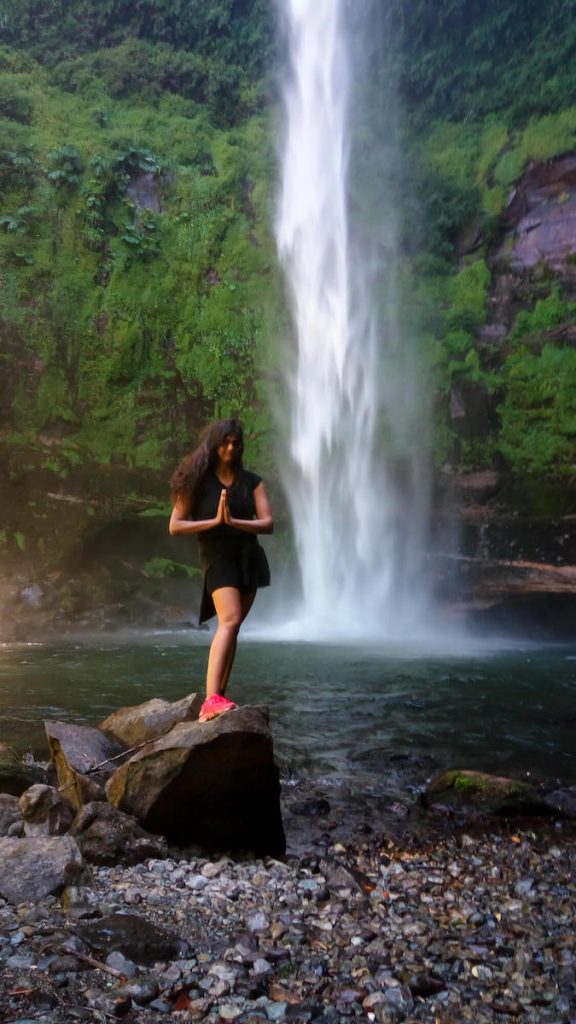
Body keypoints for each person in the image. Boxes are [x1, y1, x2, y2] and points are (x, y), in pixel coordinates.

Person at [169, 419, 273, 723]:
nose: (230, 447)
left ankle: (220, 694)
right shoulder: (196, 481)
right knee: (230, 619)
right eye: (225, 442)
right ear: (214, 444)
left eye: (236, 443)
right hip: (217, 556)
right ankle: (210, 700)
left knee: (234, 625)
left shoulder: (252, 482)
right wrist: (215, 522)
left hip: (248, 557)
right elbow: (175, 525)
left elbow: (268, 523)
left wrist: (235, 522)